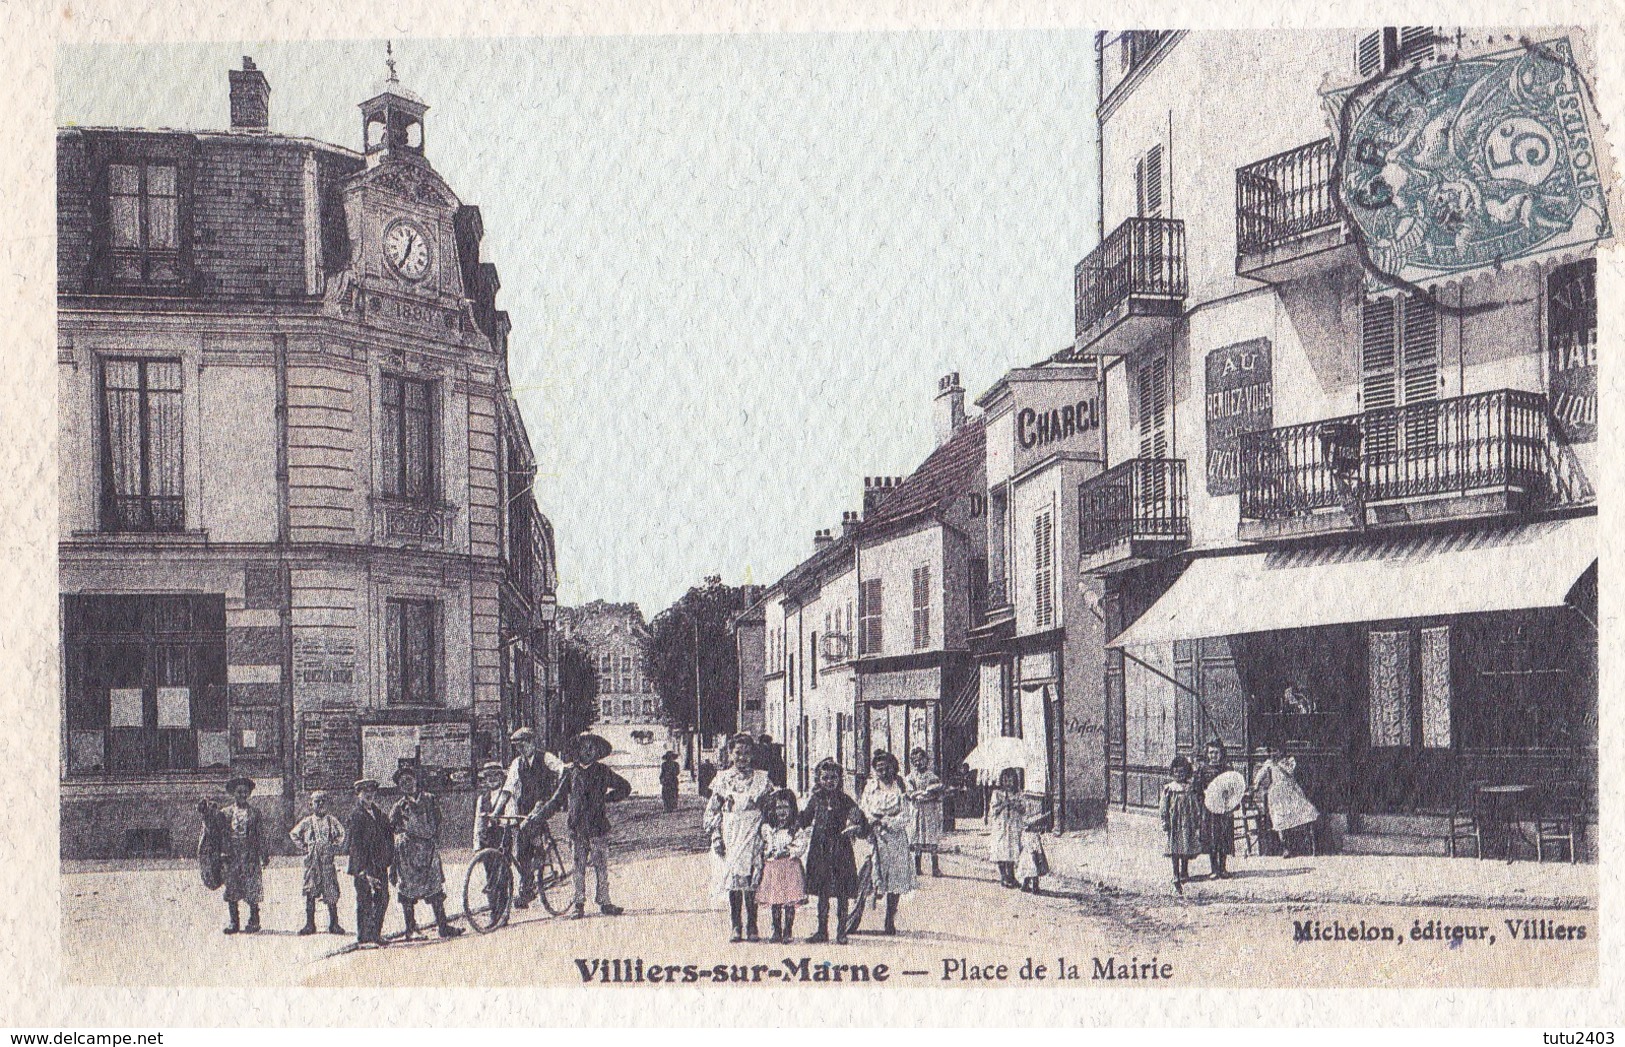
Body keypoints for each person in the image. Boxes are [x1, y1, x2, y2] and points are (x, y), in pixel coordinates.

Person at [525, 732, 631, 919]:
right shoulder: (571, 773)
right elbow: (557, 799)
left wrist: (607, 798)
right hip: (577, 828)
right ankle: (578, 903)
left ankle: (605, 902)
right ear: (578, 750)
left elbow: (625, 787)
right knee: (578, 866)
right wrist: (541, 816)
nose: (588, 751)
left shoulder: (603, 771)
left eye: (592, 748)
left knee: (601, 866)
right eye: (584, 747)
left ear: (597, 751)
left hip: (598, 826)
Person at [705, 733, 774, 942]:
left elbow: (772, 809)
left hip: (753, 833)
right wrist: (716, 836)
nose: (742, 758)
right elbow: (712, 811)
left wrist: (768, 833)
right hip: (731, 834)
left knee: (752, 880)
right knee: (733, 880)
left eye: (746, 753)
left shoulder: (762, 779)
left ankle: (752, 925)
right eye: (738, 753)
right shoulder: (722, 780)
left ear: (752, 755)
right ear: (730, 754)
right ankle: (736, 925)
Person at [389, 766, 464, 940]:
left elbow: (438, 821)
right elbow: (392, 827)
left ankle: (443, 926)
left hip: (428, 850)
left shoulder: (430, 800)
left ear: (416, 781)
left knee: (435, 889)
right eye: (402, 783)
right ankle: (410, 929)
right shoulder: (399, 807)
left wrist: (431, 839)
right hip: (408, 854)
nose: (407, 784)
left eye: (409, 780)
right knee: (407, 892)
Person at [799, 759, 866, 944]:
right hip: (820, 849)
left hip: (840, 848)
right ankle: (822, 931)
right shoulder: (816, 799)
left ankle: (841, 931)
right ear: (818, 779)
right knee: (822, 891)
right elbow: (804, 820)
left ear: (839, 779)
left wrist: (857, 823)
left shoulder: (845, 799)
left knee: (842, 892)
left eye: (833, 778)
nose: (829, 781)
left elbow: (860, 820)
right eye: (825, 778)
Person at [502, 727, 560, 908]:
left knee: (531, 831)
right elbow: (508, 788)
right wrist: (497, 810)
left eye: (523, 745)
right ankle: (527, 886)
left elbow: (562, 770)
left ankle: (530, 879)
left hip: (543, 803)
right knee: (520, 852)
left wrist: (557, 794)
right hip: (524, 807)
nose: (520, 749)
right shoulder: (517, 763)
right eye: (517, 747)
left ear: (532, 742)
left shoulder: (546, 758)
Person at [858, 751, 916, 934]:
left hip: (895, 837)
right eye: (879, 769)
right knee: (869, 874)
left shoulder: (901, 785)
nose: (883, 772)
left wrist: (888, 822)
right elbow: (864, 807)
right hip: (874, 835)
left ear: (894, 767)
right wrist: (871, 821)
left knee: (895, 878)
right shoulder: (871, 786)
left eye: (886, 768)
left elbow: (907, 813)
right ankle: (855, 916)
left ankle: (889, 919)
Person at [289, 790, 348, 935]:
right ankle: (310, 924)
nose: (320, 804)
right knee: (310, 891)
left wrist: (335, 844)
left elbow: (342, 833)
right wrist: (304, 847)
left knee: (331, 892)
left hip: (327, 861)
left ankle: (334, 924)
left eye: (323, 801)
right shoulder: (307, 821)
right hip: (312, 862)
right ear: (311, 804)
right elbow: (294, 834)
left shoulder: (331, 820)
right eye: (317, 802)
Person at [346, 778, 394, 947]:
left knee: (382, 898)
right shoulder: (356, 816)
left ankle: (375, 934)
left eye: (371, 792)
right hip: (363, 866)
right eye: (365, 792)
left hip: (379, 864)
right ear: (358, 794)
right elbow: (354, 846)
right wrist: (362, 871)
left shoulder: (379, 814)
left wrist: (388, 858)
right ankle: (364, 937)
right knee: (364, 900)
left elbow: (389, 837)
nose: (369, 795)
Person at [219, 776, 268, 935]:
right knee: (232, 887)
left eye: (245, 792)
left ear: (249, 794)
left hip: (250, 855)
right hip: (232, 854)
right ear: (233, 793)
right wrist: (222, 852)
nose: (242, 795)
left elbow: (260, 835)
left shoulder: (255, 813)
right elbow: (219, 834)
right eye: (239, 792)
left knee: (252, 887)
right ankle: (234, 922)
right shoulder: (225, 813)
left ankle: (254, 921)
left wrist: (264, 854)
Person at [757, 790, 808, 943]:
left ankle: (788, 930)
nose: (782, 811)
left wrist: (790, 851)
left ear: (792, 809)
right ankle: (776, 930)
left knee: (790, 901)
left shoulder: (795, 829)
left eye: (786, 807)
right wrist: (768, 852)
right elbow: (764, 845)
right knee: (776, 900)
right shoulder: (768, 828)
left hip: (790, 867)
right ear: (772, 810)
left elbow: (801, 844)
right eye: (778, 808)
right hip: (774, 868)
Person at [1253, 751, 1319, 857]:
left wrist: (1279, 763)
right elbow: (1259, 776)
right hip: (1277, 795)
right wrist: (1256, 785)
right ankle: (1286, 847)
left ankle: (1308, 846)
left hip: (1292, 792)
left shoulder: (1289, 761)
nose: (1275, 754)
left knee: (1308, 812)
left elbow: (1291, 771)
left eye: (1277, 751)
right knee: (1280, 819)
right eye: (1273, 752)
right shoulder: (1269, 763)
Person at [1192, 740, 1236, 879]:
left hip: (1224, 808)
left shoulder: (1227, 769)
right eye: (1211, 752)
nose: (1214, 755)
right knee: (1211, 837)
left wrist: (1231, 802)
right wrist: (1203, 797)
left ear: (1221, 753)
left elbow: (1233, 788)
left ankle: (1223, 868)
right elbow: (1196, 789)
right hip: (1209, 809)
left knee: (1224, 836)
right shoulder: (1203, 770)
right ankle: (1214, 869)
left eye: (1216, 752)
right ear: (1207, 754)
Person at [1160, 756, 1203, 893]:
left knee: (1186, 846)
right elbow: (1163, 806)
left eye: (1182, 772)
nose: (1179, 775)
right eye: (1176, 772)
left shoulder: (1189, 788)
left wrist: (1196, 819)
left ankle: (1184, 871)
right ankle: (1175, 873)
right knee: (1175, 848)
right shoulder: (1169, 789)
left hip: (1187, 822)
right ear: (1172, 773)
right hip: (1175, 823)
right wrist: (1164, 820)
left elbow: (1194, 805)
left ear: (1187, 773)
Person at [904, 747, 944, 877]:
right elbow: (910, 794)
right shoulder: (910, 777)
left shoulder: (932, 777)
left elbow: (937, 794)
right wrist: (922, 793)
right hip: (917, 811)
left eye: (921, 759)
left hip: (930, 812)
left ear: (926, 760)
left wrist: (923, 794)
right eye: (915, 761)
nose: (918, 763)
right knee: (917, 839)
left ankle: (935, 868)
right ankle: (917, 867)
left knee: (932, 839)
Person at [988, 768, 1026, 889]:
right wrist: (1004, 803)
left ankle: (1012, 876)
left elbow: (1023, 809)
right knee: (1001, 849)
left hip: (1013, 825)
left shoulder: (1018, 793)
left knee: (1012, 849)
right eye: (1005, 780)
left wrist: (1014, 804)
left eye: (1010, 780)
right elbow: (993, 811)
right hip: (1001, 825)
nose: (1007, 783)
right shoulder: (997, 793)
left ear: (1014, 781)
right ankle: (1003, 876)